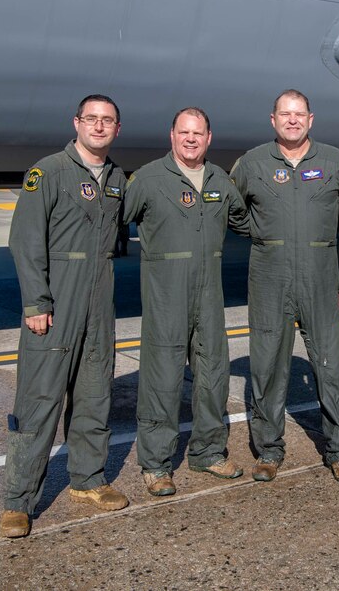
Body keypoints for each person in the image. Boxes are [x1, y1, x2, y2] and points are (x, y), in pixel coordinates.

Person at [1, 94, 129, 538]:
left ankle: (88, 479)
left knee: (94, 396)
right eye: (91, 119)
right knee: (38, 402)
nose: (98, 127)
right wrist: (36, 303)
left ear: (117, 128)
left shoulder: (115, 177)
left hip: (99, 301)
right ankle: (18, 501)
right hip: (57, 301)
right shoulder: (49, 172)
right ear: (76, 122)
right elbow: (25, 242)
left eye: (107, 121)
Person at [230, 89, 339, 483]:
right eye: (284, 114)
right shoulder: (251, 163)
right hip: (269, 277)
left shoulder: (334, 161)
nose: (292, 120)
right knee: (267, 364)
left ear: (310, 119)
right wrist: (261, 234)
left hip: (320, 278)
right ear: (273, 120)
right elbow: (231, 209)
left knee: (329, 367)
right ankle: (269, 450)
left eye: (298, 114)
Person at [123, 108, 250, 495]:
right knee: (162, 380)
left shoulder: (220, 181)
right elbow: (110, 222)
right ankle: (157, 464)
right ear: (172, 136)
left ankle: (208, 453)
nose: (191, 139)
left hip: (209, 297)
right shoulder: (147, 179)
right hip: (165, 298)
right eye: (184, 132)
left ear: (209, 138)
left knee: (213, 376)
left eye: (198, 133)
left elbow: (246, 222)